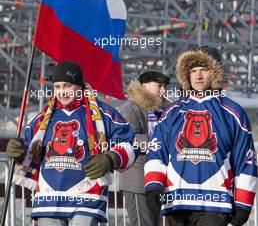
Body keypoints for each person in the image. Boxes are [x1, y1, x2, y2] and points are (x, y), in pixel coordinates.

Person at [6, 61, 138, 226]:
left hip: (87, 197)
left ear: (79, 85)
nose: (62, 92)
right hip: (49, 200)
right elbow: (29, 150)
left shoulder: (103, 113)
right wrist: (18, 151)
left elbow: (130, 144)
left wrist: (110, 159)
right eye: (57, 86)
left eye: (67, 86)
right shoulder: (43, 118)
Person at [144, 48, 257, 226]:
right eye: (193, 70)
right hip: (177, 202)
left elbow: (246, 161)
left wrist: (243, 204)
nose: (198, 76)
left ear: (215, 72)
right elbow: (157, 153)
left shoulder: (233, 113)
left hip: (215, 203)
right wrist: (153, 186)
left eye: (204, 69)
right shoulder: (171, 113)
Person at [118, 70, 170, 226]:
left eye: (165, 87)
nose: (163, 91)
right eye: (159, 86)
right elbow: (127, 139)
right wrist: (159, 142)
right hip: (137, 180)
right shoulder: (131, 108)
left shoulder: (162, 109)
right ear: (144, 86)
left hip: (157, 180)